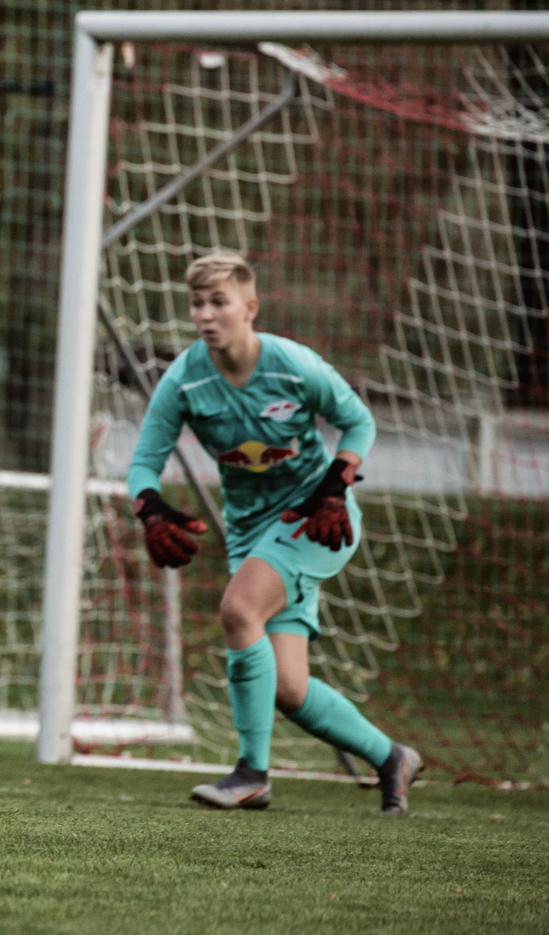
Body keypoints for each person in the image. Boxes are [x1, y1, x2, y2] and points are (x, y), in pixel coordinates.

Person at [128, 251, 420, 813]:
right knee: (288, 688)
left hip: (318, 518)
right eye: (197, 303)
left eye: (219, 302)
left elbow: (359, 420)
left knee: (238, 611)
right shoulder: (184, 380)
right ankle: (392, 758)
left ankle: (250, 774)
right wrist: (151, 509)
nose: (206, 314)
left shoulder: (293, 364)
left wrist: (336, 485)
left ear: (250, 308)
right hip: (253, 533)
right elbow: (144, 462)